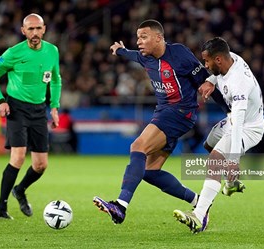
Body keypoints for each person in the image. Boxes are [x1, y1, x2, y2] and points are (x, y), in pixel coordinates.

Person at [93, 20, 230, 224]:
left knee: (137, 146)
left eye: (144, 37)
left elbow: (204, 80)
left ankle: (120, 205)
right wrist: (119, 50)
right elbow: (131, 54)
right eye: (138, 37)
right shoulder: (145, 57)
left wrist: (230, 111)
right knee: (149, 171)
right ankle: (200, 203)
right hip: (166, 112)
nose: (139, 41)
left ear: (158, 37)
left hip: (179, 112)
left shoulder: (179, 54)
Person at [173, 37, 264, 233]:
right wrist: (209, 80)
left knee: (216, 159)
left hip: (248, 128)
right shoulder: (229, 58)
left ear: (218, 60)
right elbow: (217, 73)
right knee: (209, 146)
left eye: (206, 62)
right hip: (232, 120)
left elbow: (239, 124)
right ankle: (231, 183)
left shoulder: (239, 84)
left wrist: (233, 160)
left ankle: (199, 216)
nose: (204, 65)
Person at [0, 13, 62, 219]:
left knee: (41, 165)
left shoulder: (52, 51)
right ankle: (0, 209)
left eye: (38, 28)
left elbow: (56, 79)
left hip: (39, 110)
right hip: (16, 108)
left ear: (44, 29)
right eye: (30, 29)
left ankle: (19, 190)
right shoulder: (13, 53)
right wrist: (0, 100)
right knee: (18, 157)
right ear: (23, 31)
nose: (35, 33)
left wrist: (54, 107)